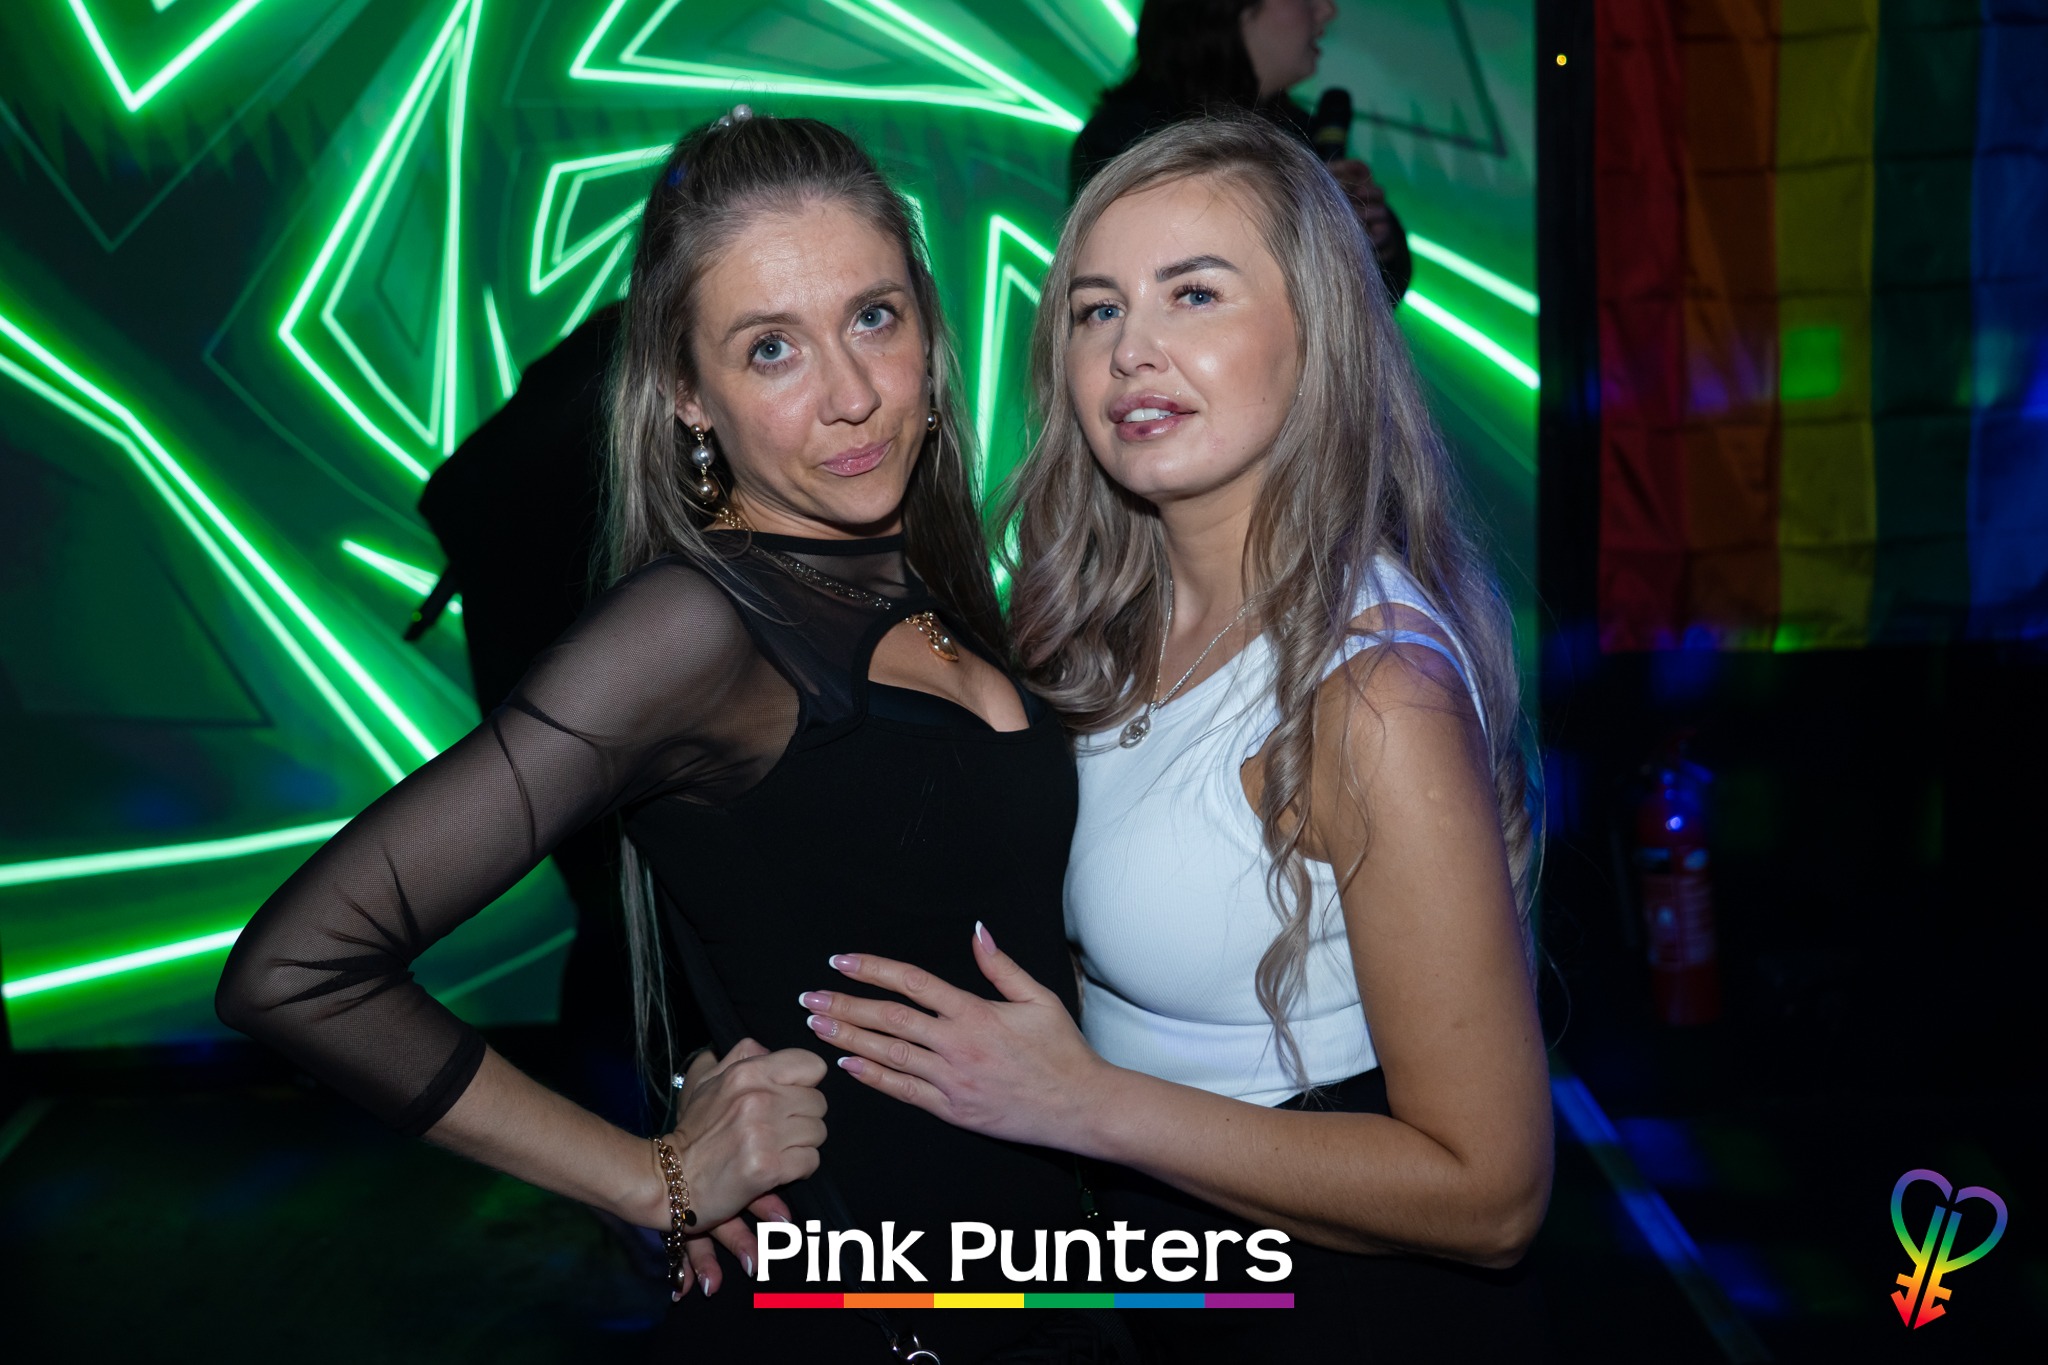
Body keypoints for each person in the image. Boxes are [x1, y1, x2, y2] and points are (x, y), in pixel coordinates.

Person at [218, 111, 1124, 1362]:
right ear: (689, 396)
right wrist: (654, 1181)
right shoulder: (696, 625)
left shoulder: (916, 571)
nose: (852, 394)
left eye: (873, 317)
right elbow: (299, 968)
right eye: (770, 349)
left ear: (927, 322)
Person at [797, 114, 1550, 1361]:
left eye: (1192, 294)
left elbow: (1492, 1196)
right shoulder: (1093, 620)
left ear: (1315, 331)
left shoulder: (1372, 695)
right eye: (1095, 310)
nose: (1130, 349)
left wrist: (1086, 1104)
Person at [1071, 0, 1412, 305]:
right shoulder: (1125, 138)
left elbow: (1373, 301)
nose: (1326, 9)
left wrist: (1373, 239)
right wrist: (1302, 215)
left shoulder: (1301, 133)